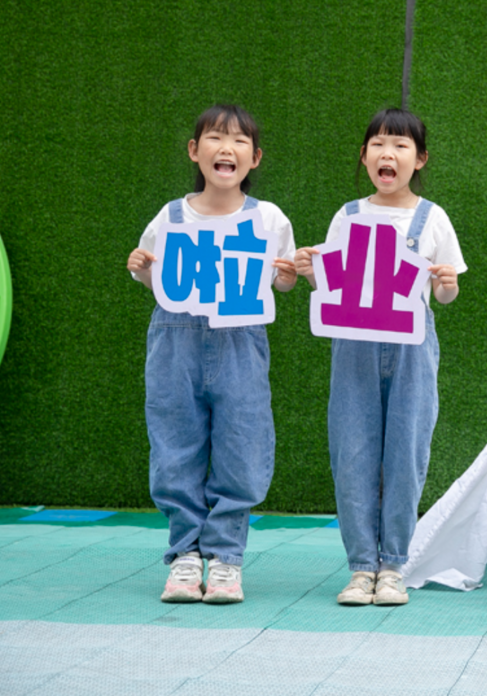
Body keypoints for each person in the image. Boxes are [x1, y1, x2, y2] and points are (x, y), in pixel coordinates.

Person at [127, 104, 298, 604]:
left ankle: (225, 557)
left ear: (255, 157)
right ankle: (184, 554)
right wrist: (142, 268)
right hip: (174, 342)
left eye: (240, 140)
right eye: (216, 138)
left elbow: (281, 281)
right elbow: (156, 280)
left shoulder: (268, 218)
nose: (227, 148)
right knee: (174, 443)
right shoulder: (171, 216)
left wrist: (289, 275)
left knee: (242, 443)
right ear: (194, 150)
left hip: (241, 340)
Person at [295, 108, 464, 606]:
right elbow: (332, 285)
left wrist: (447, 284)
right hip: (354, 347)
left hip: (413, 347)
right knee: (352, 452)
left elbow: (446, 294)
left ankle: (392, 566)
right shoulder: (347, 216)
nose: (388, 153)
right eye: (378, 144)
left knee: (406, 453)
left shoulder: (433, 218)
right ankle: (360, 568)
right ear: (365, 156)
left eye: (401, 145)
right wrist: (309, 270)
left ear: (420, 159)